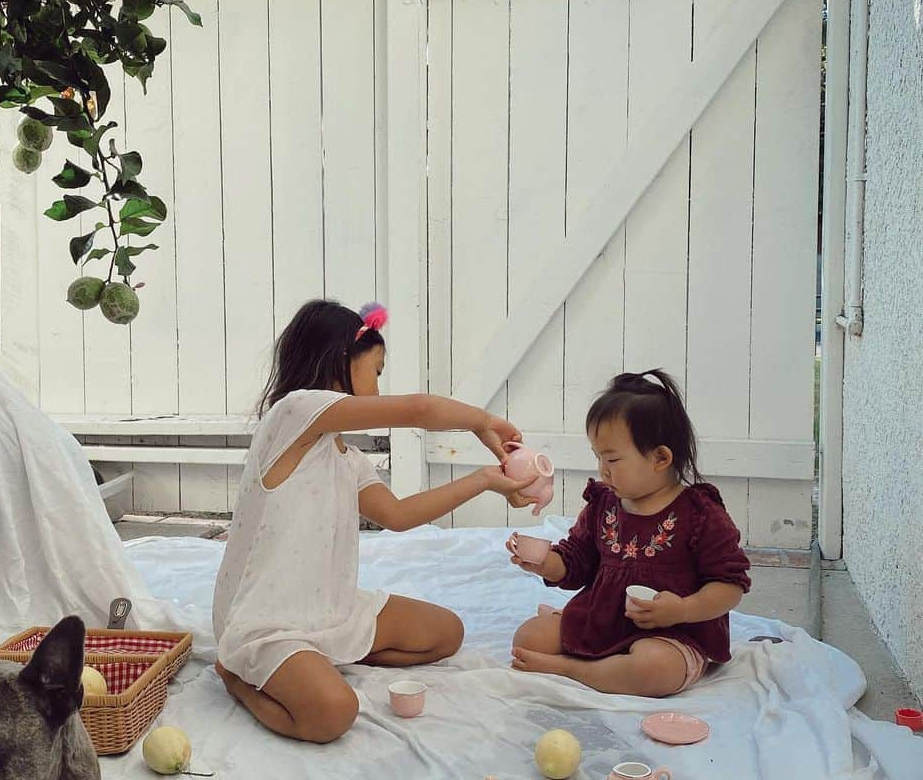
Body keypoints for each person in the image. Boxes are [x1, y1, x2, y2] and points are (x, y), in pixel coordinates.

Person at [213, 299, 533, 742]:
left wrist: (485, 480)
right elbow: (419, 410)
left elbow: (398, 516)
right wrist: (482, 421)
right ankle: (236, 676)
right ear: (342, 361)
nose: (379, 390)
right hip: (267, 621)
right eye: (376, 372)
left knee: (446, 633)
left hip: (330, 608)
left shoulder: (348, 458)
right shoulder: (293, 414)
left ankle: (318, 660)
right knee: (332, 713)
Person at [509, 370, 750, 697]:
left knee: (654, 668)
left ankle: (572, 669)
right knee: (528, 638)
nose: (602, 470)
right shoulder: (603, 504)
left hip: (673, 634)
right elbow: (577, 561)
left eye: (613, 459)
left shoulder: (700, 514)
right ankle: (606, 667)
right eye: (598, 457)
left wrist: (682, 609)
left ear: (660, 458)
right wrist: (544, 563)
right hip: (603, 621)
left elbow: (729, 585)